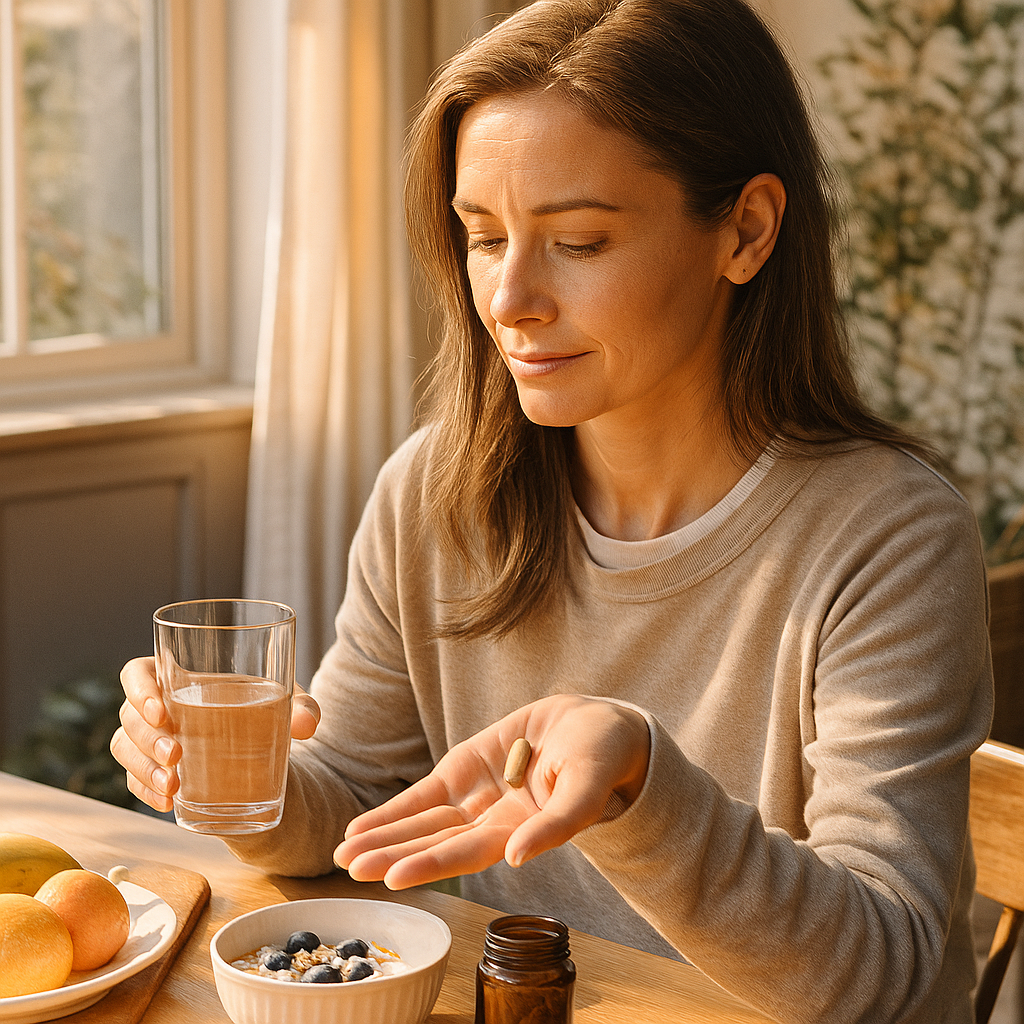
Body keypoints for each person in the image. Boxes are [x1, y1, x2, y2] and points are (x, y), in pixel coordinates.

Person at [111, 1, 994, 1021]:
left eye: (577, 240)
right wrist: (236, 775)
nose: (511, 298)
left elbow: (873, 970)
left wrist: (637, 788)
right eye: (483, 237)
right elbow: (355, 801)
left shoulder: (887, 535)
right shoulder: (437, 494)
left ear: (744, 230)